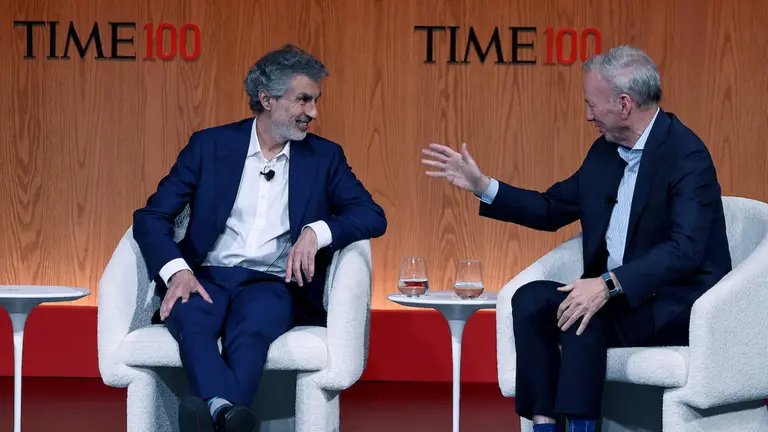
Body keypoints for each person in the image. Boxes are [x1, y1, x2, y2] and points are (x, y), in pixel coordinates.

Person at [421, 45, 731, 432]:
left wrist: (607, 284)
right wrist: (483, 186)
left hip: (673, 300)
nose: (587, 116)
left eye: (592, 105)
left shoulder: (687, 155)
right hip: (616, 296)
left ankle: (584, 427)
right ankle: (544, 423)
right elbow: (552, 209)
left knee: (584, 314)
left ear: (623, 103)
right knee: (530, 299)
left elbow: (684, 250)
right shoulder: (603, 152)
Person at [133, 44, 387, 432]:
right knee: (193, 323)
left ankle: (213, 409)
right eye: (303, 99)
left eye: (316, 100)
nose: (313, 112)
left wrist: (315, 232)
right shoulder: (210, 146)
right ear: (266, 98)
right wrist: (176, 272)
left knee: (251, 333)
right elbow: (152, 216)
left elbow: (372, 215)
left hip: (272, 284)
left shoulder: (324, 157)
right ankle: (227, 413)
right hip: (205, 275)